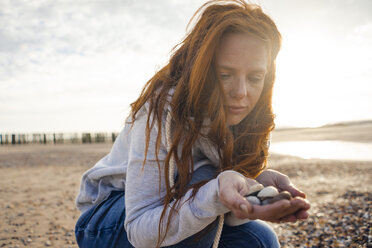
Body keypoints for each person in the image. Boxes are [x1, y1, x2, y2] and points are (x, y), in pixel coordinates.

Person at [75, 0, 311, 247]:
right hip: (106, 222)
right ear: (202, 69)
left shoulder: (252, 119)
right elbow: (139, 229)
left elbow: (222, 216)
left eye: (255, 77)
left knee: (260, 239)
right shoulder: (163, 109)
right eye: (225, 75)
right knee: (205, 179)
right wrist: (215, 192)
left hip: (175, 212)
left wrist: (253, 191)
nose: (242, 92)